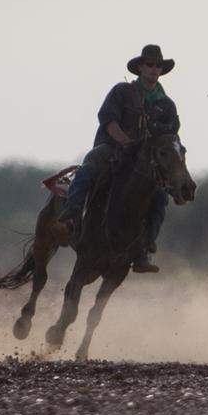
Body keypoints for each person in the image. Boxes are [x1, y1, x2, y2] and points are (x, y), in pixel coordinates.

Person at [54, 44, 181, 273]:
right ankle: (71, 215)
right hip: (112, 148)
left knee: (160, 196)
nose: (154, 69)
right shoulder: (122, 91)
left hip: (144, 162)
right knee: (89, 168)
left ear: (161, 70)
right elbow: (108, 120)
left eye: (158, 65)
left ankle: (145, 248)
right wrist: (126, 142)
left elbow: (170, 138)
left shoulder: (167, 105)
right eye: (150, 64)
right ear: (140, 67)